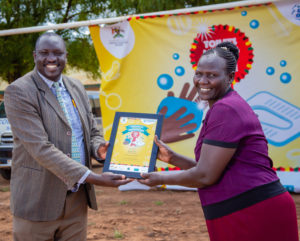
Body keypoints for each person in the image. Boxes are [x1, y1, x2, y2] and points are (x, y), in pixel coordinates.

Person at [139, 42, 299, 241]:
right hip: (243, 207)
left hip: (252, 211)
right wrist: (172, 158)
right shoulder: (222, 107)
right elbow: (211, 169)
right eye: (199, 74)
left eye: (212, 75)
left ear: (230, 77)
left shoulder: (227, 109)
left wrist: (159, 179)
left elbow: (205, 176)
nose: (203, 81)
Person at [4, 32, 132, 241]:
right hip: (37, 202)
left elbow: (91, 131)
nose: (52, 59)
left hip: (76, 201)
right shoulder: (19, 91)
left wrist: (99, 148)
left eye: (57, 53)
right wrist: (95, 178)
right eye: (44, 53)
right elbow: (40, 148)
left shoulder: (76, 87)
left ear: (66, 56)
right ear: (35, 55)